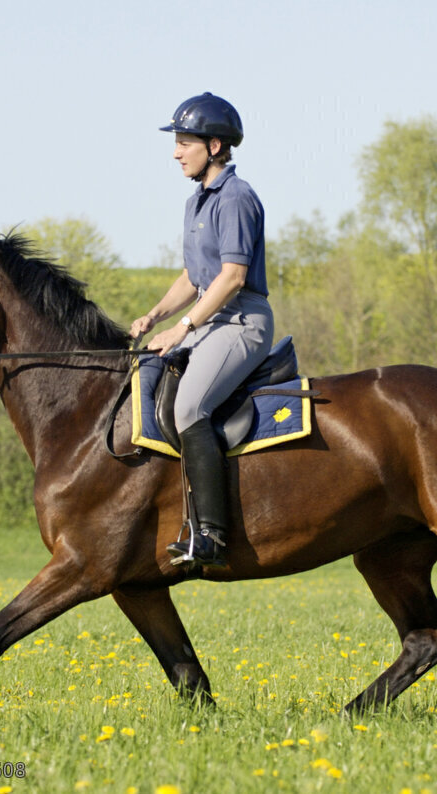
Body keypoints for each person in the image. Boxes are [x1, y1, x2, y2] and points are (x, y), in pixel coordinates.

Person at [130, 92, 273, 568]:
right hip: (210, 318)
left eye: (183, 142)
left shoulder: (236, 197)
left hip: (241, 321)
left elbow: (231, 277)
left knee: (191, 404)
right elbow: (194, 278)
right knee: (147, 373)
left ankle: (211, 533)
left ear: (214, 145)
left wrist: (182, 327)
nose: (175, 152)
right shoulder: (197, 201)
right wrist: (154, 317)